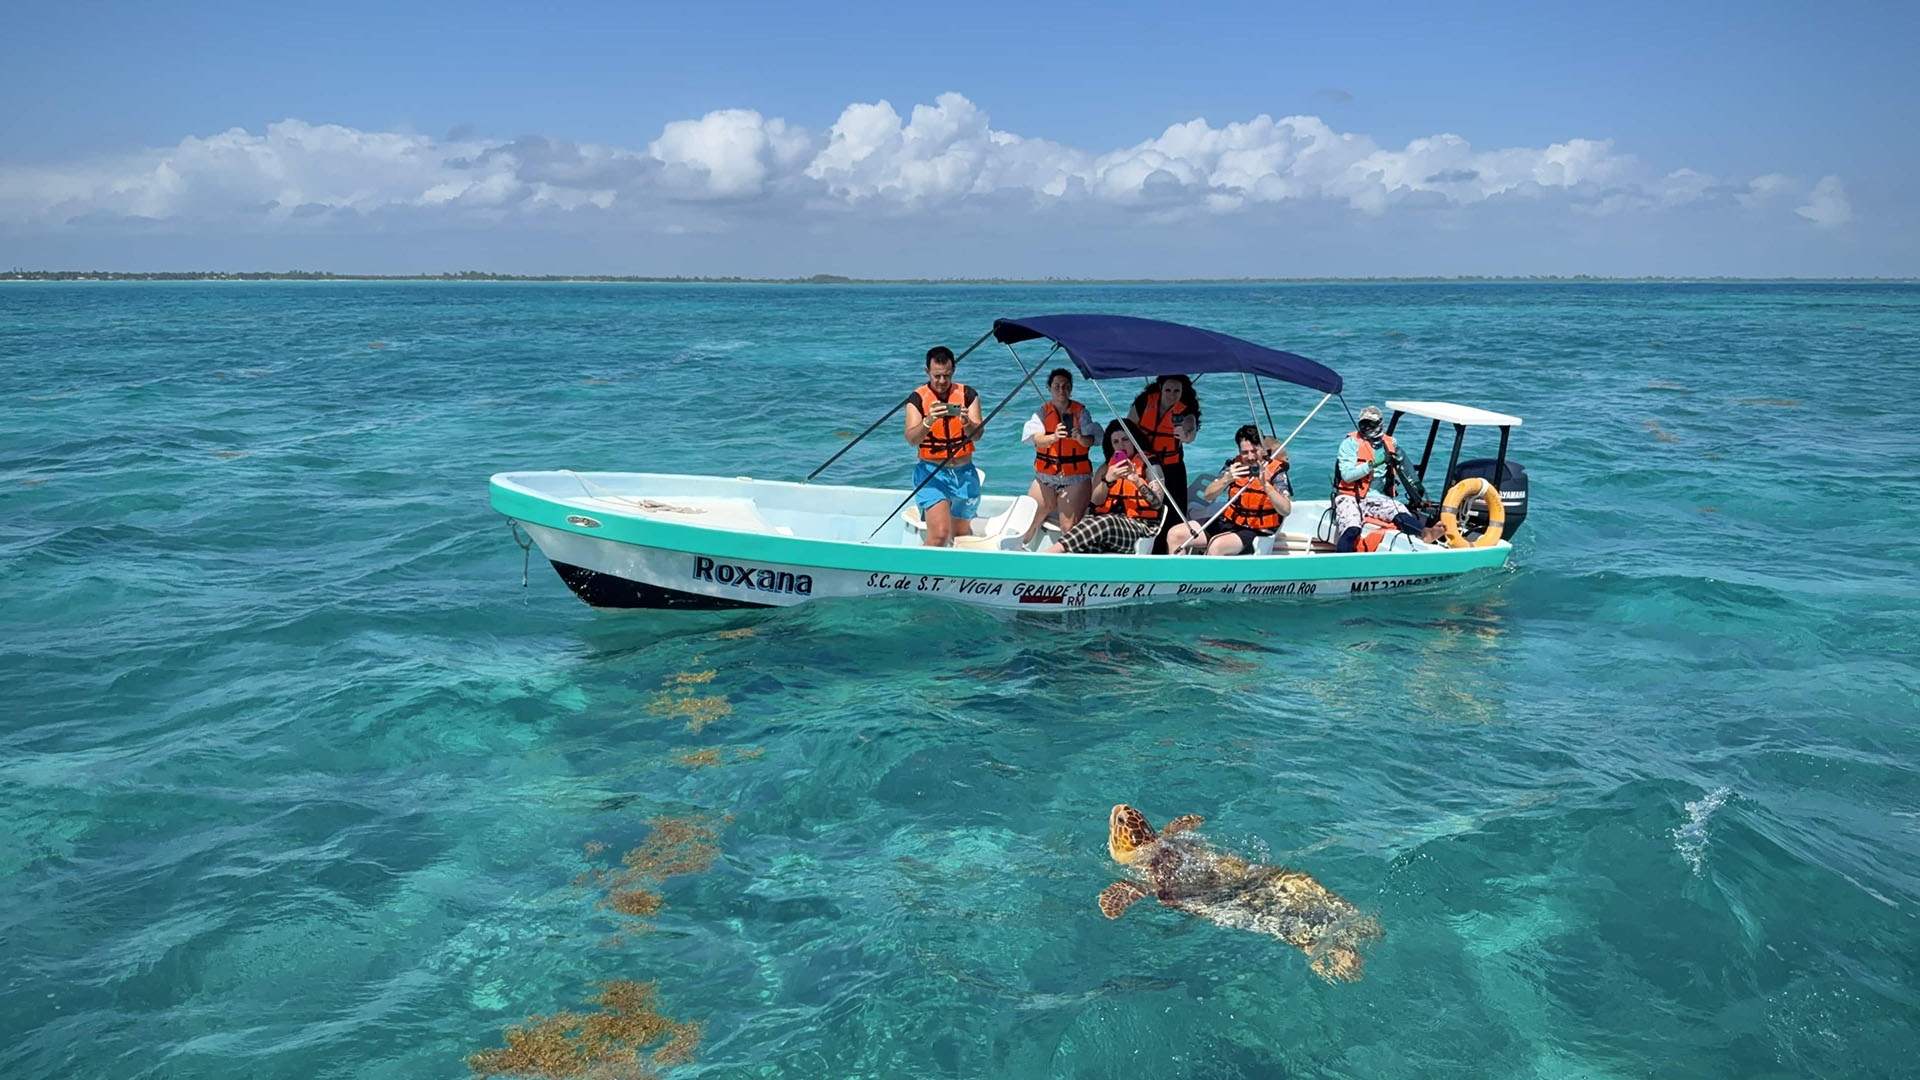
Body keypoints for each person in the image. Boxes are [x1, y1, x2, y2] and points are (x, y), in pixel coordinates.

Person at [1332, 405, 1445, 552]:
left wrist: (1416, 484)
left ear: (1380, 424)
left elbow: (1406, 466)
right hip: (1350, 497)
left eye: (1371, 424)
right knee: (1352, 530)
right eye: (1363, 424)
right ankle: (1341, 561)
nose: (1367, 427)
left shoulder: (1391, 444)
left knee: (1401, 514)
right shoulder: (1350, 443)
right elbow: (1347, 476)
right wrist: (1373, 464)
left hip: (1377, 498)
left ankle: (1425, 533)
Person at [1167, 425, 1292, 555]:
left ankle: (1206, 568)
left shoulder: (1276, 472)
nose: (1250, 457)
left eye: (1254, 451)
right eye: (1245, 452)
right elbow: (1208, 495)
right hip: (1230, 522)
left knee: (1217, 545)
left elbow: (1286, 510)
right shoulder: (1234, 466)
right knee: (1175, 534)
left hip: (1256, 530)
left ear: (1262, 449)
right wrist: (1227, 478)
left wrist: (1266, 486)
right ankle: (1179, 568)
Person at [903, 345, 984, 547]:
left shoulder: (968, 395)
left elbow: (977, 435)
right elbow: (912, 439)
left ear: (953, 370)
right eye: (937, 376)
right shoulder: (917, 399)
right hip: (931, 474)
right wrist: (928, 421)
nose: (941, 381)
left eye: (946, 376)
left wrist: (967, 423)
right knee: (939, 535)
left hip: (965, 474)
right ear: (927, 371)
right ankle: (917, 567)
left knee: (959, 536)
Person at [1044, 420, 1166, 554]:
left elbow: (1157, 504)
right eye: (1116, 442)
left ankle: (1053, 551)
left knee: (1107, 522)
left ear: (1134, 440)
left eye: (1125, 439)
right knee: (1088, 540)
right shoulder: (1106, 468)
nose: (1121, 445)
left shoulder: (1150, 466)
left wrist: (1137, 481)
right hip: (1108, 530)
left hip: (1140, 528)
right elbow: (1096, 502)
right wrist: (1107, 480)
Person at [1020, 367, 1101, 546]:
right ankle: (1019, 550)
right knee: (1027, 521)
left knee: (1068, 526)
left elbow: (1093, 439)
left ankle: (1067, 556)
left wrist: (1080, 438)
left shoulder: (1081, 412)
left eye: (1066, 386)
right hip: (1045, 477)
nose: (1061, 390)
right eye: (1056, 386)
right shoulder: (1042, 412)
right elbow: (1035, 438)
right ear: (1049, 388)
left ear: (1071, 389)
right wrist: (1053, 437)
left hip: (1075, 478)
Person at [1127, 375, 1201, 553]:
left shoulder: (1186, 410)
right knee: (1145, 508)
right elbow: (1128, 428)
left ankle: (1170, 550)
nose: (1172, 394)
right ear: (1160, 388)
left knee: (1173, 514)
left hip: (1172, 468)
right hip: (1145, 464)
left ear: (1183, 391)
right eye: (1168, 390)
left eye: (1177, 391)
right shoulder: (1144, 403)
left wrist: (1185, 435)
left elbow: (1191, 431)